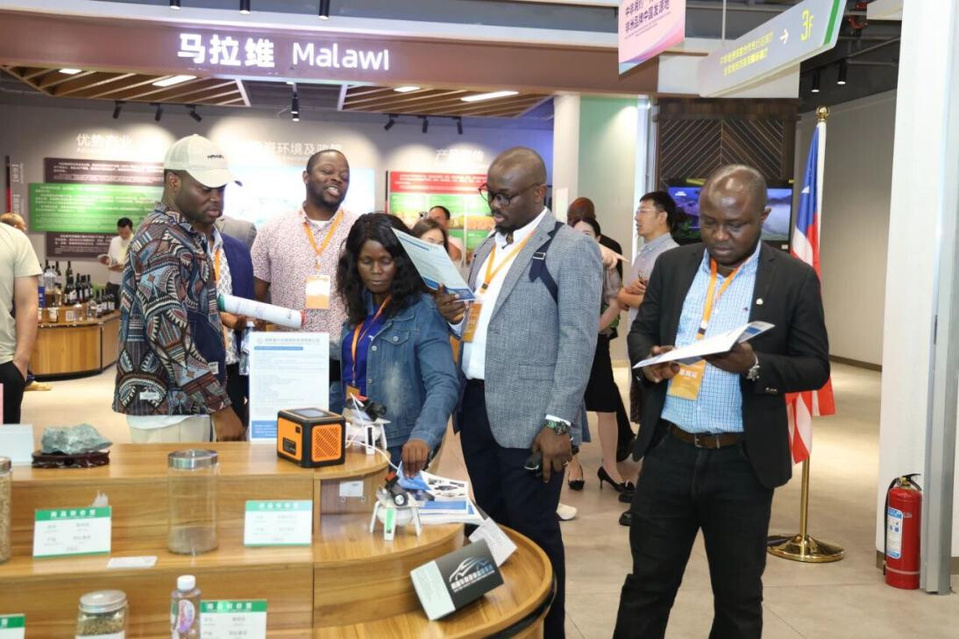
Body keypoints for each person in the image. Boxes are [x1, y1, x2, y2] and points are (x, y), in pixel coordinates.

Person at [614, 165, 830, 639]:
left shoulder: (793, 279)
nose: (720, 235)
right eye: (709, 222)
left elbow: (816, 366)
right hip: (669, 453)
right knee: (646, 587)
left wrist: (755, 365)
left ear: (763, 216)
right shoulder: (674, 266)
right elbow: (644, 332)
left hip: (741, 464)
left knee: (737, 599)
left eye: (736, 224)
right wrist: (648, 362)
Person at [436, 147, 602, 639]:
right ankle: (505, 625)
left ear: (538, 193)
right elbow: (480, 318)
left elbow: (578, 339)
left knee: (535, 534)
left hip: (534, 422)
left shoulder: (572, 248)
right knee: (492, 526)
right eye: (490, 194)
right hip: (479, 409)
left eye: (505, 195)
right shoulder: (489, 246)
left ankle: (547, 631)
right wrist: (454, 313)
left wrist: (559, 423)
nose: (495, 204)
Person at [113, 134, 245, 443]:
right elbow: (168, 333)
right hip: (169, 410)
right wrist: (220, 407)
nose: (216, 198)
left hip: (181, 406)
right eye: (205, 188)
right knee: (179, 492)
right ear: (173, 182)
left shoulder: (181, 234)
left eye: (221, 189)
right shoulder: (163, 241)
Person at [331, 213, 459, 474]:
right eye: (367, 261)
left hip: (400, 445)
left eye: (385, 261)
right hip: (353, 438)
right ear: (355, 264)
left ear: (401, 262)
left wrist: (423, 436)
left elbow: (443, 383)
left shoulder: (423, 311)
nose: (376, 271)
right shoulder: (358, 305)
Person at [252, 150, 357, 382]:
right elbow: (255, 295)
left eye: (344, 176)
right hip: (288, 355)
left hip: (344, 358)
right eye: (327, 172)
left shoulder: (359, 230)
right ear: (306, 177)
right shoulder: (273, 229)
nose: (337, 179)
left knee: (340, 419)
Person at [616, 191, 680, 523]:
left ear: (663, 217)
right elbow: (627, 296)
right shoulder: (646, 252)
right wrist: (629, 294)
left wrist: (629, 295)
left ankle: (649, 497)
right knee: (642, 416)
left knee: (654, 422)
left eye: (643, 211)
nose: (637, 216)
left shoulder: (671, 256)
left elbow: (656, 303)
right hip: (638, 343)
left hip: (656, 351)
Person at [566, 197, 634, 466]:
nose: (577, 222)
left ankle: (617, 451)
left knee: (605, 394)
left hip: (599, 334)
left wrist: (599, 325)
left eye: (584, 219)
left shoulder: (610, 251)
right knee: (571, 397)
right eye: (573, 218)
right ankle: (574, 466)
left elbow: (615, 297)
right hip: (569, 337)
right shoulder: (564, 249)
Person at [198, 211, 256, 428]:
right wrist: (221, 316)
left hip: (232, 367)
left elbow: (249, 311)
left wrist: (251, 386)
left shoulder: (238, 250)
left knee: (235, 450)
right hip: (194, 370)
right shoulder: (175, 249)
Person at [0, 214, 49, 393]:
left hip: (3, 360)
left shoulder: (14, 239)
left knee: (7, 422)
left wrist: (21, 362)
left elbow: (27, 303)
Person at [567, 197, 624, 279]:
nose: (572, 223)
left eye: (578, 219)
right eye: (569, 219)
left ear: (593, 218)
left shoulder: (610, 246)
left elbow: (615, 288)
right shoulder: (564, 243)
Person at [99, 217, 133, 302]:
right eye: (121, 232)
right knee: (111, 310)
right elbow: (110, 258)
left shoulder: (136, 241)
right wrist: (107, 261)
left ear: (131, 230)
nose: (123, 235)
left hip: (129, 285)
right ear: (117, 230)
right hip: (113, 282)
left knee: (126, 313)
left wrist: (123, 267)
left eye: (126, 233)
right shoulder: (114, 241)